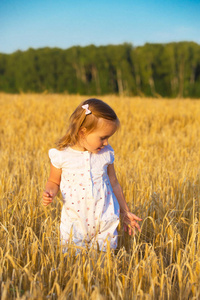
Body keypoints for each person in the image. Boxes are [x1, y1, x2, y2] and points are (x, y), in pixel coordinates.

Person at [43, 98, 142, 251]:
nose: (106, 143)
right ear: (83, 132)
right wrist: (50, 191)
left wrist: (124, 211)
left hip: (105, 220)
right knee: (74, 265)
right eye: (103, 138)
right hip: (74, 224)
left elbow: (114, 183)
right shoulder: (62, 156)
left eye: (109, 138)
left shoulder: (106, 154)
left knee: (103, 265)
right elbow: (53, 181)